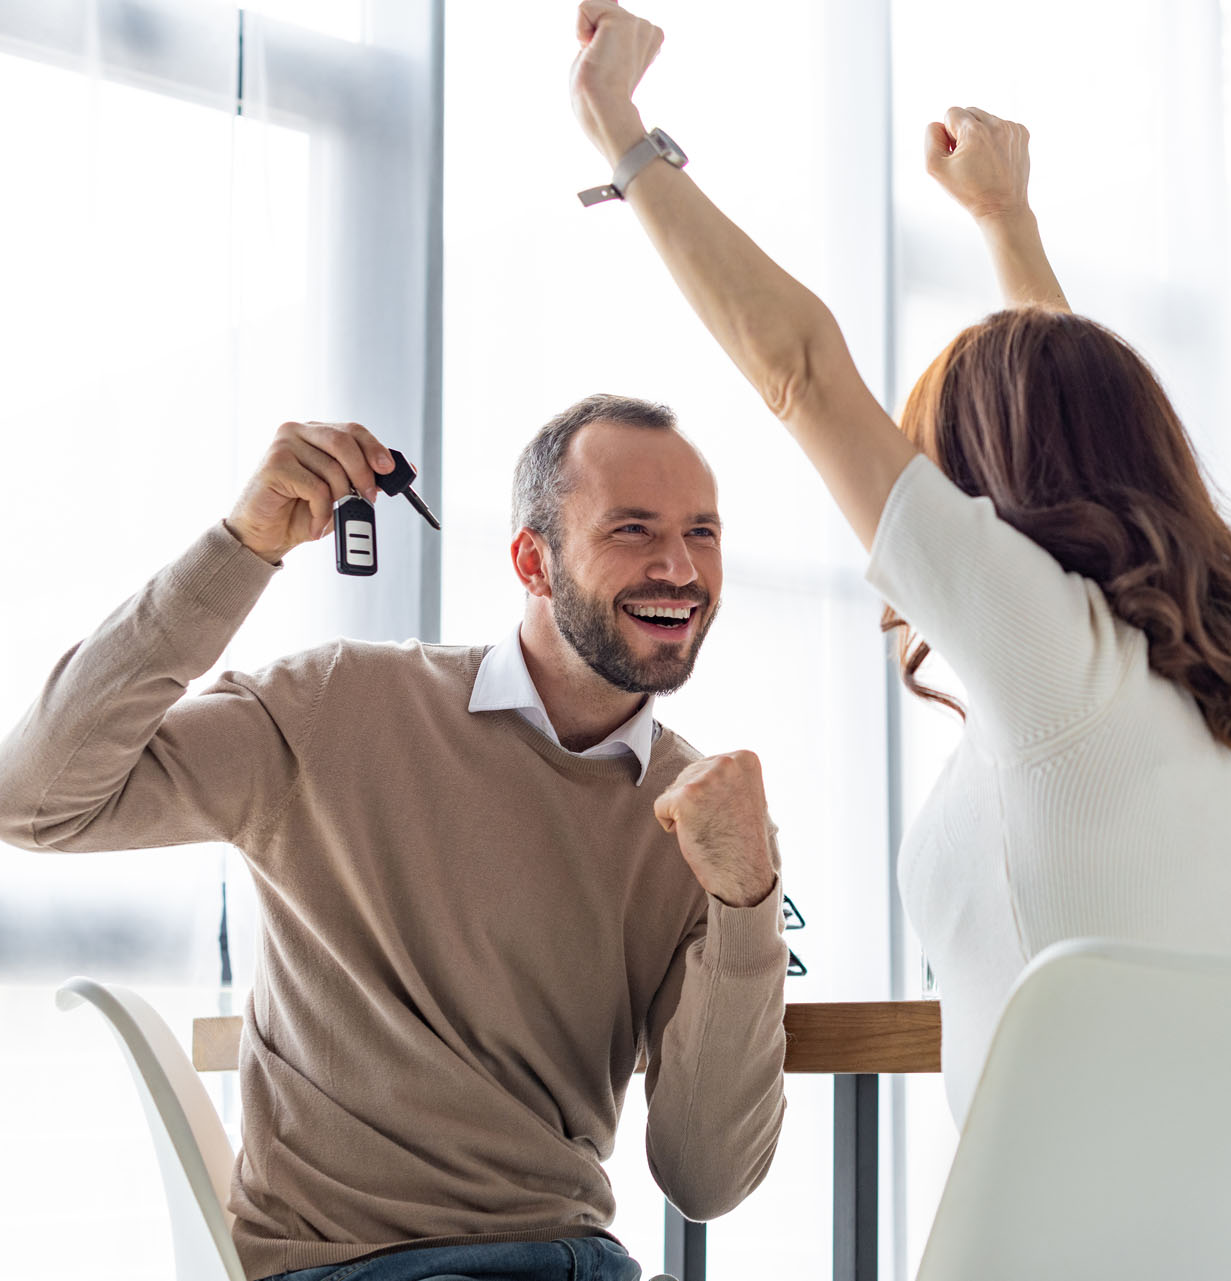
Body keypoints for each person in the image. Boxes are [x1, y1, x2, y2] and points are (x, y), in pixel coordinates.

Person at [568, 3, 1231, 1123]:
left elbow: (804, 373)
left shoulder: (1055, 666)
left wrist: (620, 133)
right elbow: (1075, 405)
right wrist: (1005, 221)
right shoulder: (1220, 698)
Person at [0, 397, 789, 1281]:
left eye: (702, 533)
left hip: (580, 1260)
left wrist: (745, 901)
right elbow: (33, 798)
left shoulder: (707, 823)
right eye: (633, 529)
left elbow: (706, 1179)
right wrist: (241, 546)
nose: (679, 568)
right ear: (535, 560)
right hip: (355, 1263)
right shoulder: (335, 706)